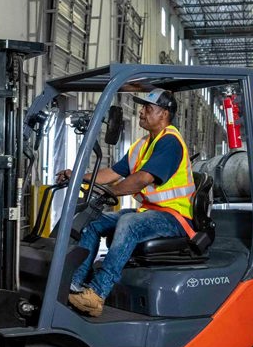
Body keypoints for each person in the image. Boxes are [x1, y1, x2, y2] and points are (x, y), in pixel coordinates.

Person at [55, 89, 195, 317]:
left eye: (148, 108)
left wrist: (109, 192)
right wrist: (78, 176)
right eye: (143, 107)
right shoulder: (143, 144)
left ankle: (97, 294)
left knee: (129, 223)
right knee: (93, 221)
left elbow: (141, 180)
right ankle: (76, 284)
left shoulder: (170, 142)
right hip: (149, 212)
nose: (141, 112)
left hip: (175, 218)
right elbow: (111, 172)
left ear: (164, 114)